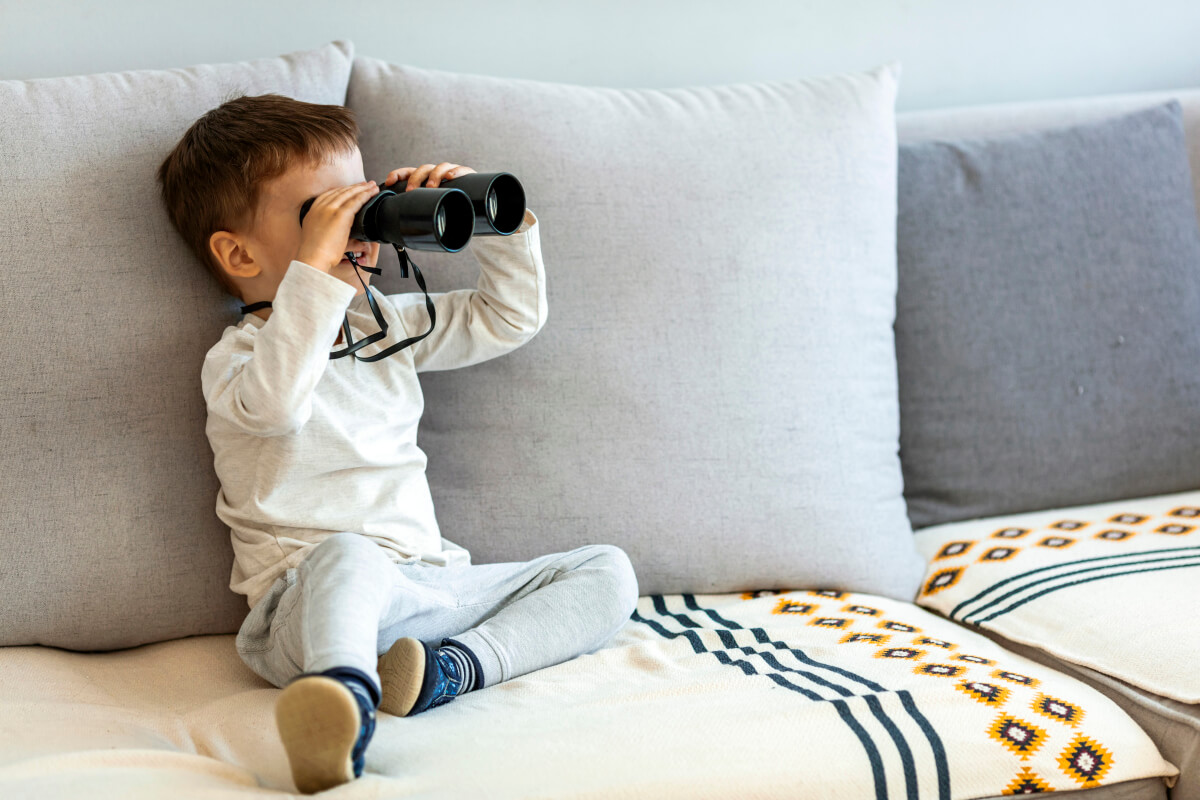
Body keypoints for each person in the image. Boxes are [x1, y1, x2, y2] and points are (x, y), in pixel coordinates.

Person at [156, 92, 639, 794]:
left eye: (363, 205)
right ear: (238, 252)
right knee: (350, 553)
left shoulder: (389, 329)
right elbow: (276, 405)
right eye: (324, 215)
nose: (358, 229)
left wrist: (492, 225)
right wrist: (317, 275)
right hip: (307, 607)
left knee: (607, 569)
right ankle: (341, 701)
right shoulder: (240, 359)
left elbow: (508, 317)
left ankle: (452, 670)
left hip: (426, 588)